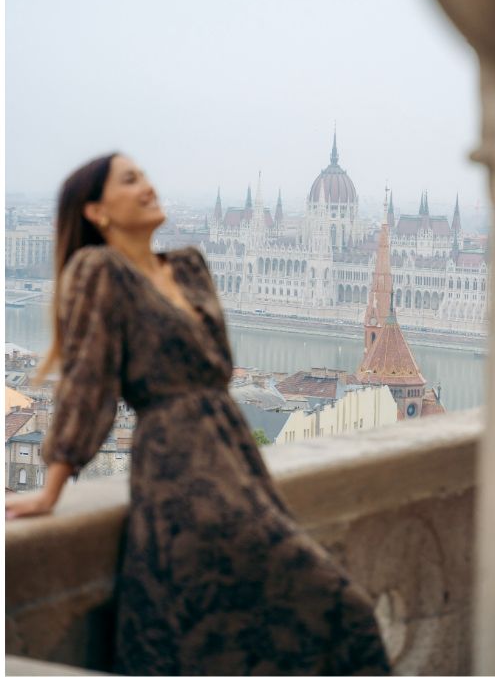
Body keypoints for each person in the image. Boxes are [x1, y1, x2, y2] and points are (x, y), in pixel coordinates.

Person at [4, 154, 390, 674]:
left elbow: (220, 367)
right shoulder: (100, 272)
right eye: (128, 180)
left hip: (235, 455)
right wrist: (51, 485)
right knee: (323, 606)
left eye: (143, 174)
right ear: (96, 212)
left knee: (278, 618)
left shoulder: (189, 266)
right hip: (176, 462)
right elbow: (87, 381)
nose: (147, 186)